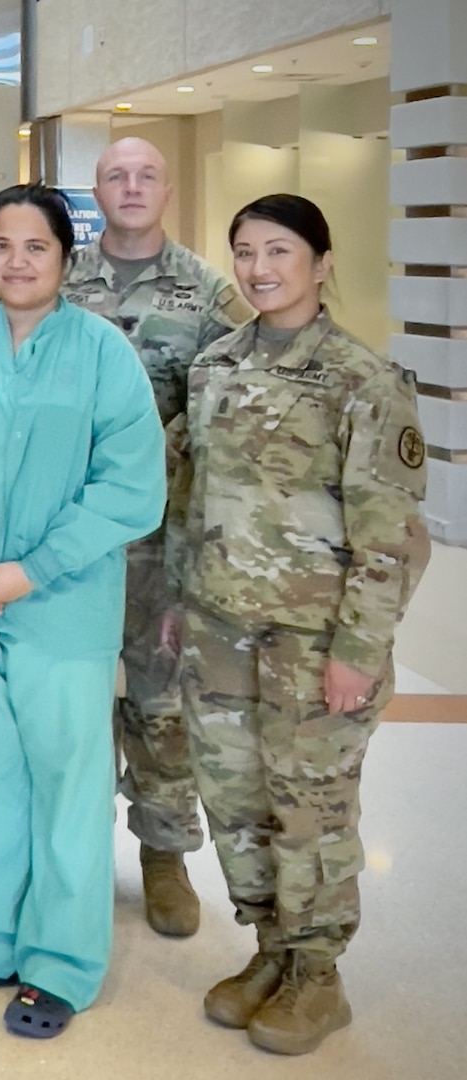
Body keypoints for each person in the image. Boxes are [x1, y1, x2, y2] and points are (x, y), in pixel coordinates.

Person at [166, 194, 429, 1055]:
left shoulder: (363, 381)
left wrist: (358, 651)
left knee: (308, 809)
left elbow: (390, 539)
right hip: (217, 630)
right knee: (235, 802)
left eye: (278, 251)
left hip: (311, 644)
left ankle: (317, 975)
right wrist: (177, 601)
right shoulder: (214, 365)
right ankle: (269, 950)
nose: (258, 268)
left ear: (320, 263)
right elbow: (188, 500)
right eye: (244, 251)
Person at [0, 183, 164, 1038]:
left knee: (65, 787)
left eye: (36, 246)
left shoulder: (102, 353)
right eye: (0, 245)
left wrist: (34, 569)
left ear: (65, 258)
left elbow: (131, 487)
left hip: (61, 608)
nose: (16, 262)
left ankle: (60, 962)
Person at [62, 136, 253, 938]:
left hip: (160, 538)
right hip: (70, 535)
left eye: (146, 175)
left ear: (167, 190)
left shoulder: (207, 293)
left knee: (160, 701)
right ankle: (74, 854)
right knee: (70, 701)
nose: (132, 187)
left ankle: (164, 853)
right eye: (116, 176)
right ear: (96, 190)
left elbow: (233, 403)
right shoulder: (61, 279)